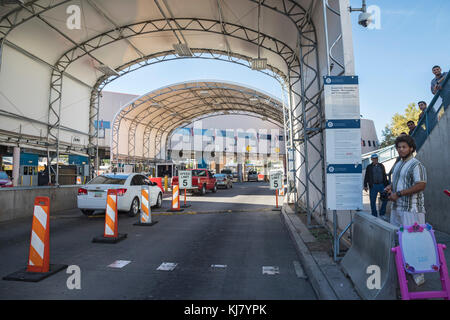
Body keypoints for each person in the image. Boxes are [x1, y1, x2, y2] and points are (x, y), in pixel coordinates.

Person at [384, 135, 427, 286]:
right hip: (397, 208)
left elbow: (421, 185)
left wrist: (399, 194)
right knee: (399, 240)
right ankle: (405, 268)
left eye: (404, 147)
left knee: (415, 241)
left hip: (412, 210)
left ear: (411, 148)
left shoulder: (416, 165)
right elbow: (397, 183)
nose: (401, 150)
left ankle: (419, 273)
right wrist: (390, 188)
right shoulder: (398, 165)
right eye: (399, 147)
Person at [364, 154, 389, 219]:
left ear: (378, 159)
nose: (375, 159)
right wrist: (365, 185)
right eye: (374, 158)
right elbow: (366, 176)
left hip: (382, 185)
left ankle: (382, 213)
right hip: (373, 186)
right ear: (371, 159)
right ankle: (374, 214)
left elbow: (384, 175)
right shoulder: (369, 167)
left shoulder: (381, 166)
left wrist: (387, 185)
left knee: (385, 199)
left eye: (376, 158)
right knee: (372, 201)